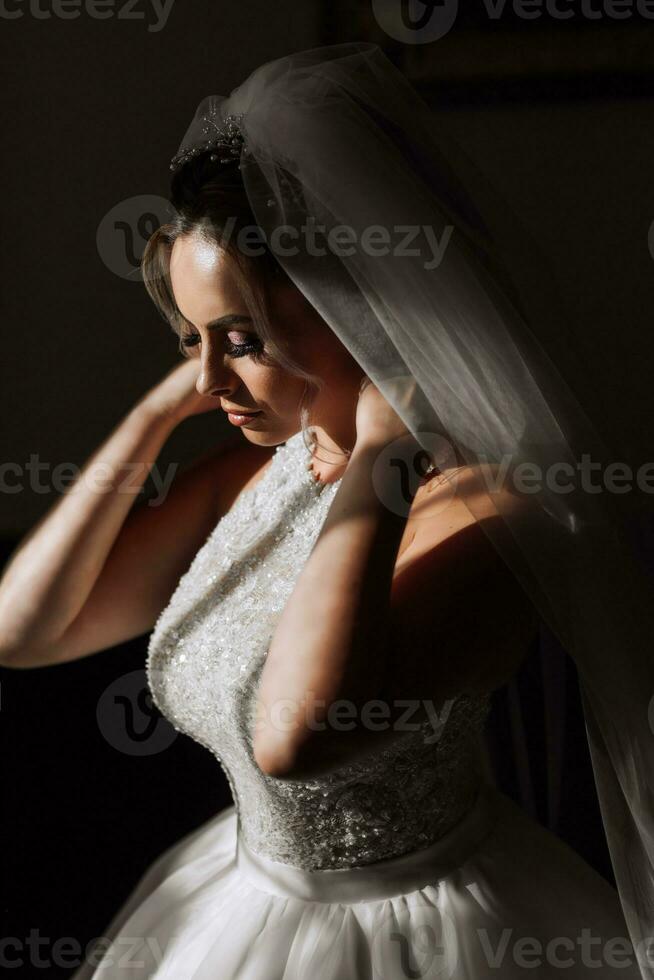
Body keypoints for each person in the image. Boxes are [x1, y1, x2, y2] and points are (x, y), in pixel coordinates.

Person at [1, 43, 652, 979]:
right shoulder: (254, 471)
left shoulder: (483, 515)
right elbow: (22, 632)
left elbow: (293, 738)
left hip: (426, 938)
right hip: (238, 904)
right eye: (192, 339)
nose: (212, 377)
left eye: (243, 338)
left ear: (360, 307)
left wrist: (385, 455)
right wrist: (157, 411)